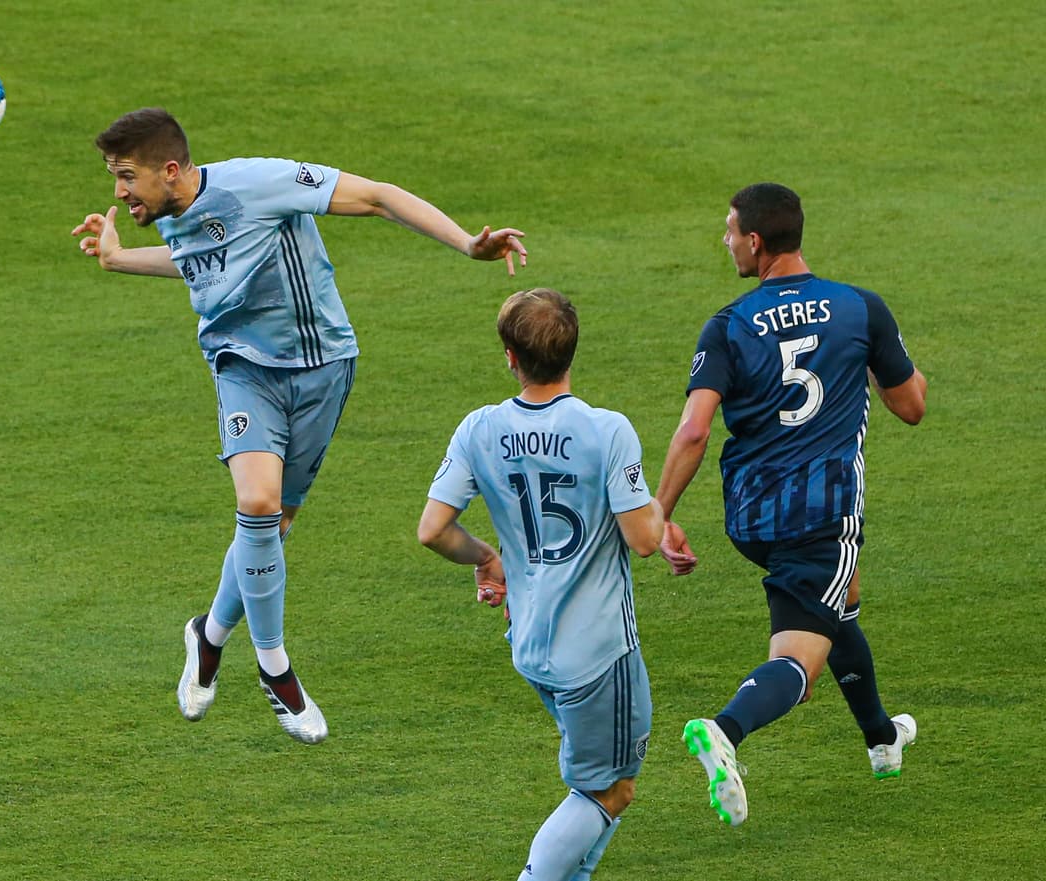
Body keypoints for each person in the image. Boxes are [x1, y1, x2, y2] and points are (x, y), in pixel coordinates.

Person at [72, 108, 527, 745]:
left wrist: (467, 245)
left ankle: (209, 636)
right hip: (242, 369)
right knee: (256, 504)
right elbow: (199, 260)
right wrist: (119, 260)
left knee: (273, 525)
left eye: (127, 177)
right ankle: (276, 670)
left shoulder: (259, 183)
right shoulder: (174, 213)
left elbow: (375, 197)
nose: (118, 192)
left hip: (323, 369)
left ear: (169, 170)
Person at [654, 183, 929, 826]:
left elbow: (694, 430)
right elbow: (911, 405)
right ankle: (726, 729)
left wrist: (661, 513)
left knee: (841, 599)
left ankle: (881, 738)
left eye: (728, 231)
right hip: (820, 512)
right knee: (799, 657)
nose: (725, 242)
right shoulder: (859, 308)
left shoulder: (727, 324)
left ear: (755, 241)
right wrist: (882, 355)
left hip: (750, 515)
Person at [419, 288, 663, 881]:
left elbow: (433, 530)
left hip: (530, 644)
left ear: (510, 356)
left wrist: (487, 557)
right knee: (609, 791)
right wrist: (658, 506)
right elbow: (645, 538)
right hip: (599, 652)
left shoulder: (479, 429)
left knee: (599, 781)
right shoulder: (607, 431)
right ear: (572, 350)